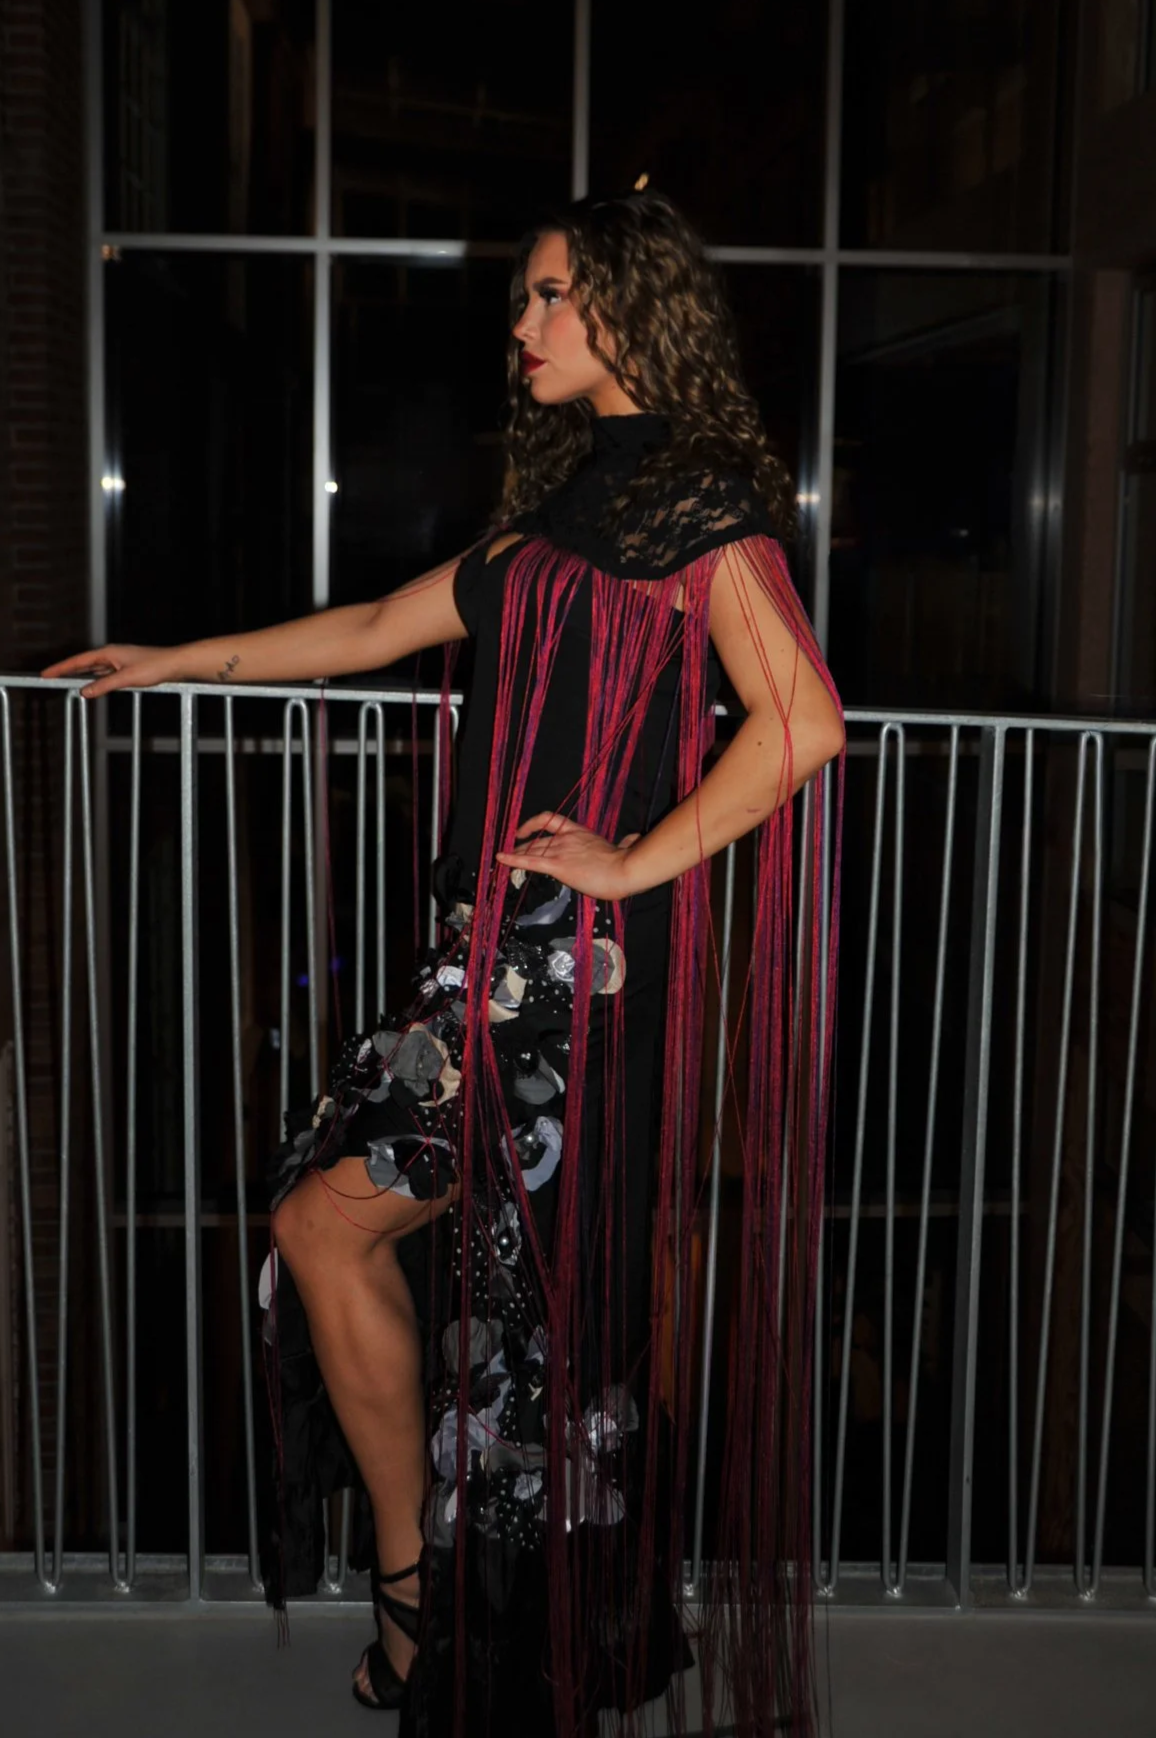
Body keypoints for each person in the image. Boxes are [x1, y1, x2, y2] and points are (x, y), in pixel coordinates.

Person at [45, 187, 844, 1737]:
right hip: (476, 965)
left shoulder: (706, 511)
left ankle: (451, 1632)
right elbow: (366, 629)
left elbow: (802, 724)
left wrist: (628, 856)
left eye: (550, 296)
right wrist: (162, 658)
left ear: (626, 309)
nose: (523, 324)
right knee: (343, 1237)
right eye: (526, 299)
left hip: (578, 983)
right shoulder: (547, 515)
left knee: (477, 1300)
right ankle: (428, 1602)